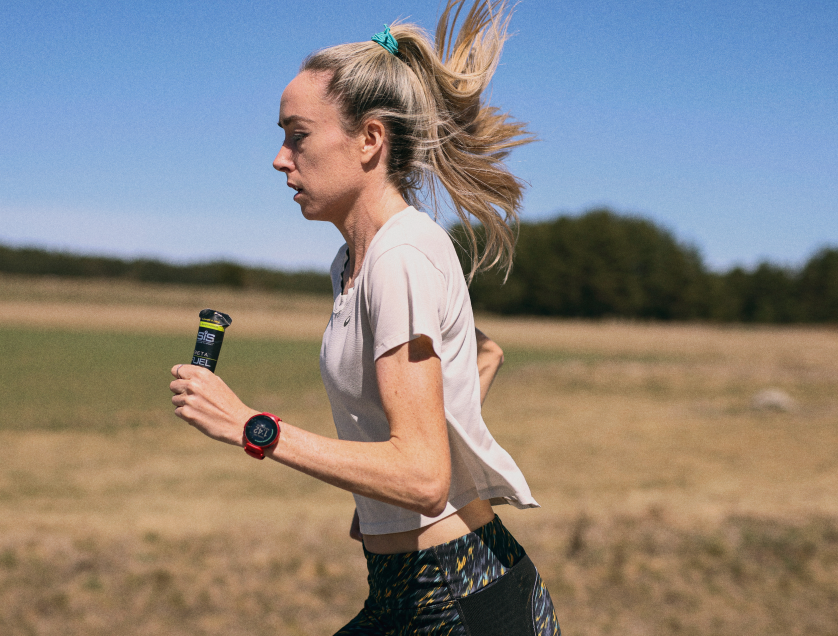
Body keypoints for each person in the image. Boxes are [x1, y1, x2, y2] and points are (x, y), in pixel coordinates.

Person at [169, 2, 560, 634]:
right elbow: (482, 351)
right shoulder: (355, 261)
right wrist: (382, 490)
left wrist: (252, 427)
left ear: (370, 139)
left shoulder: (400, 255)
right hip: (403, 587)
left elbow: (424, 478)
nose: (279, 158)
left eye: (298, 135)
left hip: (460, 594)